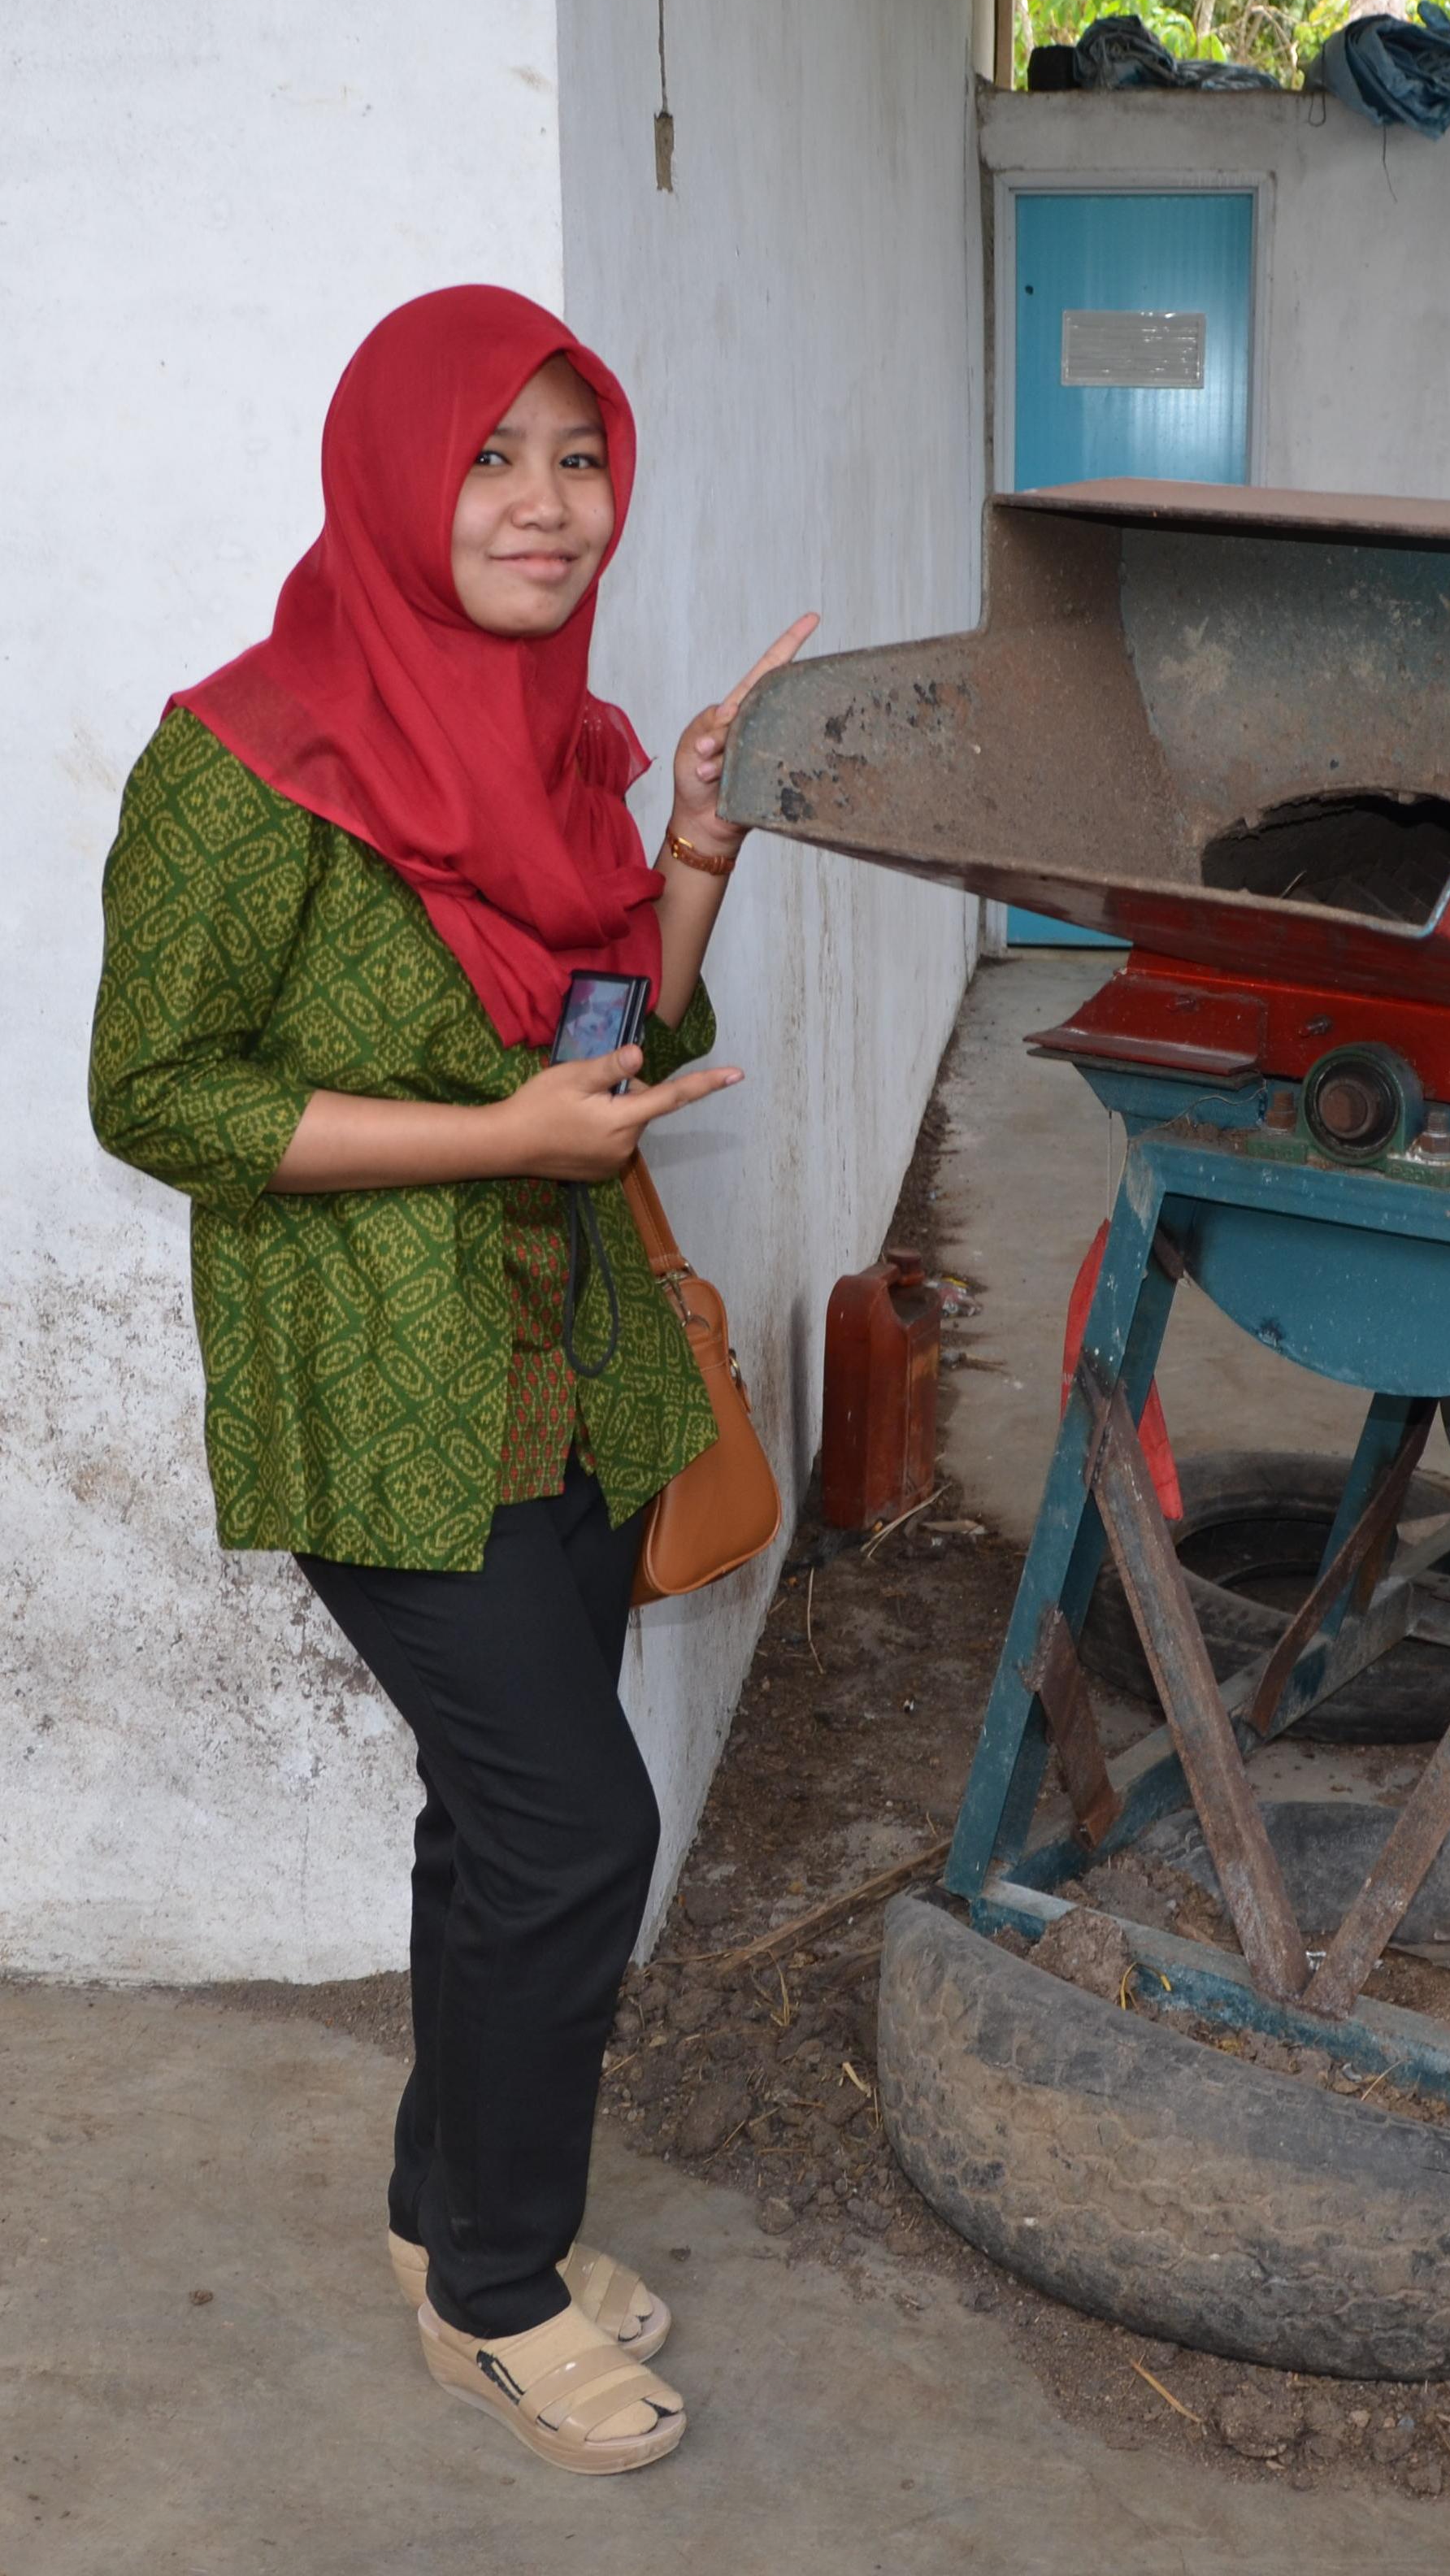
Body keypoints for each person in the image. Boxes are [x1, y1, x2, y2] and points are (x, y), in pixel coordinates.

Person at [89, 285, 814, 2476]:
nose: (545, 503)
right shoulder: (237, 764)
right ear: (394, 479)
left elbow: (617, 1033)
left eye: (579, 454)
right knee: (575, 1828)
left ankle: (442, 2211)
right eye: (490, 455)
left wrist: (694, 838)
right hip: (383, 1389)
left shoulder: (559, 744)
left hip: (567, 1363)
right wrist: (499, 1137)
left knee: (497, 1830)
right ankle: (498, 2292)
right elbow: (160, 1098)